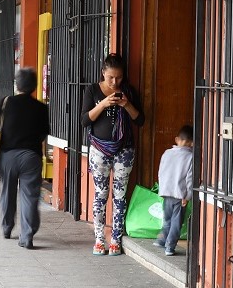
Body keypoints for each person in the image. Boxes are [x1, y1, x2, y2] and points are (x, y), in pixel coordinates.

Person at [80, 54, 145, 256]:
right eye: (110, 78)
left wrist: (126, 104)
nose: (115, 82)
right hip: (99, 150)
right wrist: (103, 104)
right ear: (103, 73)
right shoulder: (92, 90)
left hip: (124, 151)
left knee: (119, 196)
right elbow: (84, 120)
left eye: (118, 78)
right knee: (100, 195)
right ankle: (100, 238)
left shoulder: (128, 92)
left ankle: (116, 238)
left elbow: (140, 120)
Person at [0, 68, 50, 249]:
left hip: (7, 156)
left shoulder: (6, 102)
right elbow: (44, 133)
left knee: (7, 192)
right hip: (31, 157)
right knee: (29, 196)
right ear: (34, 86)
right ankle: (27, 236)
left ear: (17, 84)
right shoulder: (41, 107)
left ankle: (7, 227)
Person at [153, 124, 194, 256]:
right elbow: (190, 179)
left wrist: (162, 188)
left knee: (167, 219)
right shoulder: (190, 157)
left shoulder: (167, 153)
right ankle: (170, 246)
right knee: (176, 222)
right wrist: (187, 196)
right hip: (179, 195)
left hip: (166, 192)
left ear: (177, 139)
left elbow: (161, 172)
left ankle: (162, 239)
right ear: (192, 143)